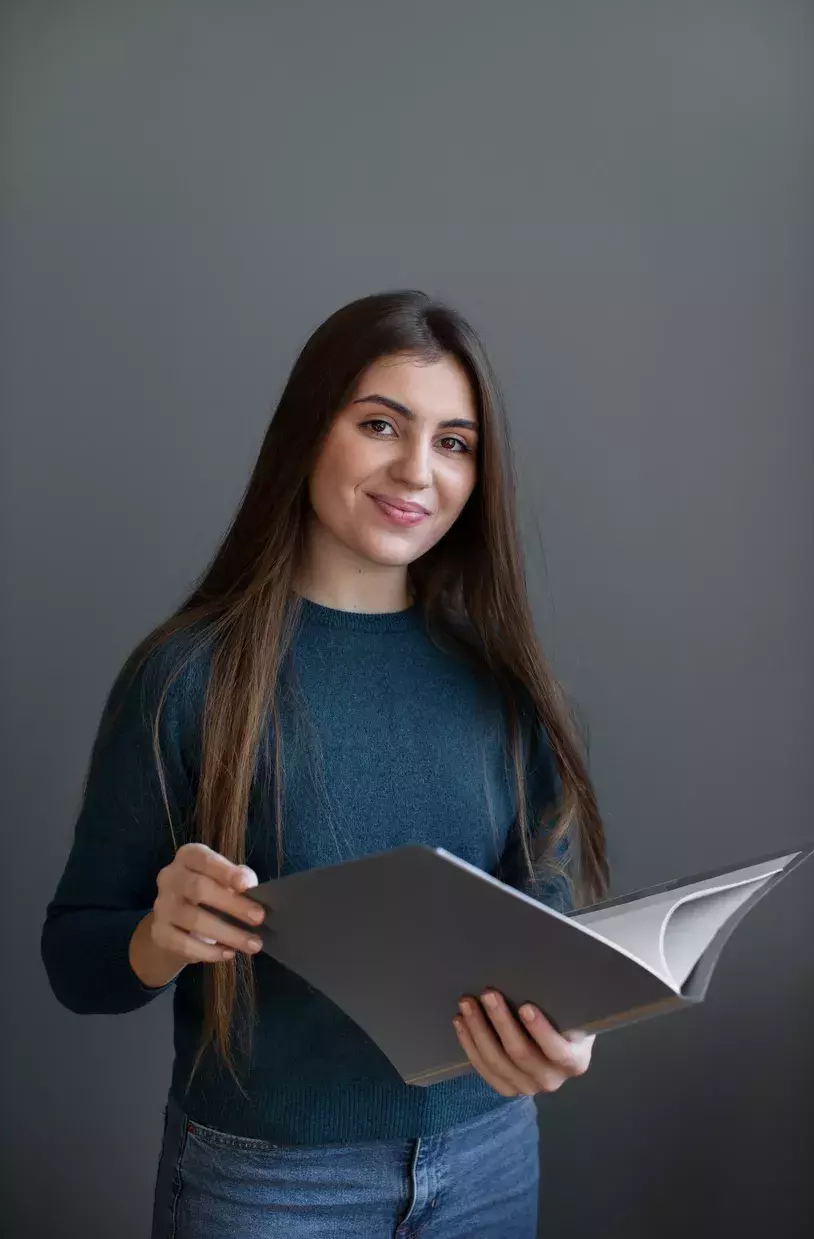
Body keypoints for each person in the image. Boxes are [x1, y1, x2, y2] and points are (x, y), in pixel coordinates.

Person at [41, 289, 609, 1239]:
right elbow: (77, 962)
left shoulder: (500, 678)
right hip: (267, 1186)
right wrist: (162, 931)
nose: (416, 470)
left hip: (491, 1158)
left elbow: (544, 908)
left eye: (455, 442)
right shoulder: (186, 676)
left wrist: (568, 1027)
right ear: (310, 431)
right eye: (380, 423)